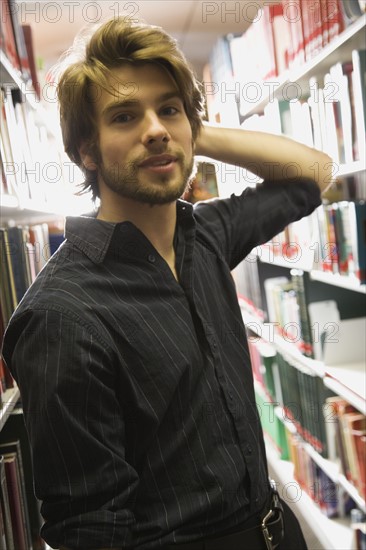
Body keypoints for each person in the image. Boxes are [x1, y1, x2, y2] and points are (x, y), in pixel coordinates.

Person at [2, 16, 332, 550]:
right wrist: (172, 124)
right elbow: (89, 529)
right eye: (125, 116)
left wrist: (189, 132)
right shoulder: (63, 313)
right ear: (86, 151)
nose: (155, 128)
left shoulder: (205, 235)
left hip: (275, 531)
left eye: (168, 108)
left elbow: (315, 173)